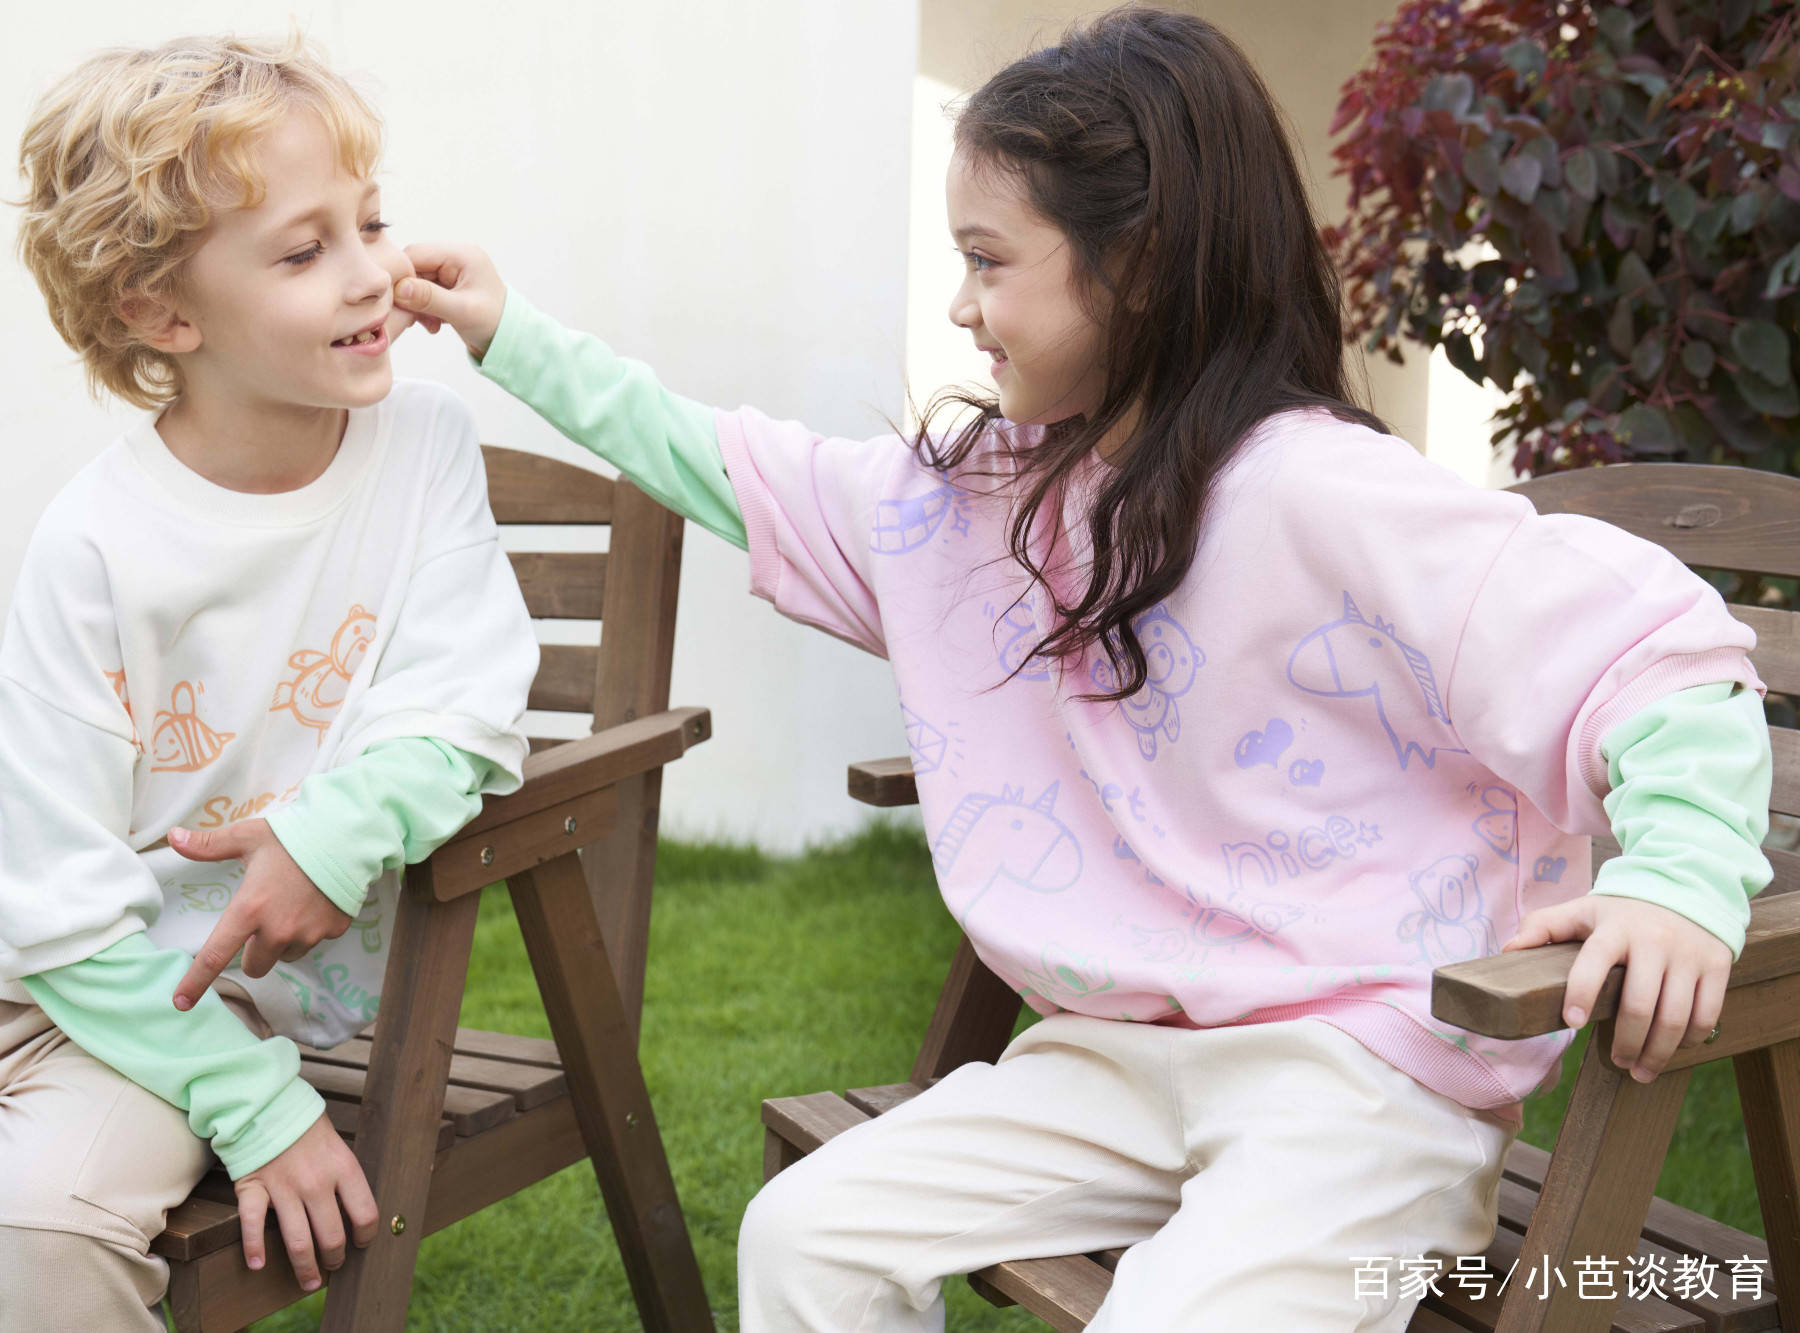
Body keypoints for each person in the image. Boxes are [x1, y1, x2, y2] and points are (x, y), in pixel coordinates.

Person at [388, 7, 1772, 1328]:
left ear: (1141, 266)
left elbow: (1654, 653)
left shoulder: (1327, 496)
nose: (962, 303)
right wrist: (513, 333)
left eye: (990, 260)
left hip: (1362, 1082)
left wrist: (1677, 881)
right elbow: (734, 466)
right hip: (1122, 1057)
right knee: (808, 1229)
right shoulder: (986, 502)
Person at [0, 32, 535, 1331]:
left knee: (46, 1229)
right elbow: (46, 893)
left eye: (370, 222)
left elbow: (464, 702)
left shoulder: (421, 452)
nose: (374, 273)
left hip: (209, 977)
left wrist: (327, 836)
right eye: (307, 251)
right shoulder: (96, 539)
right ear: (163, 314)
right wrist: (255, 1108)